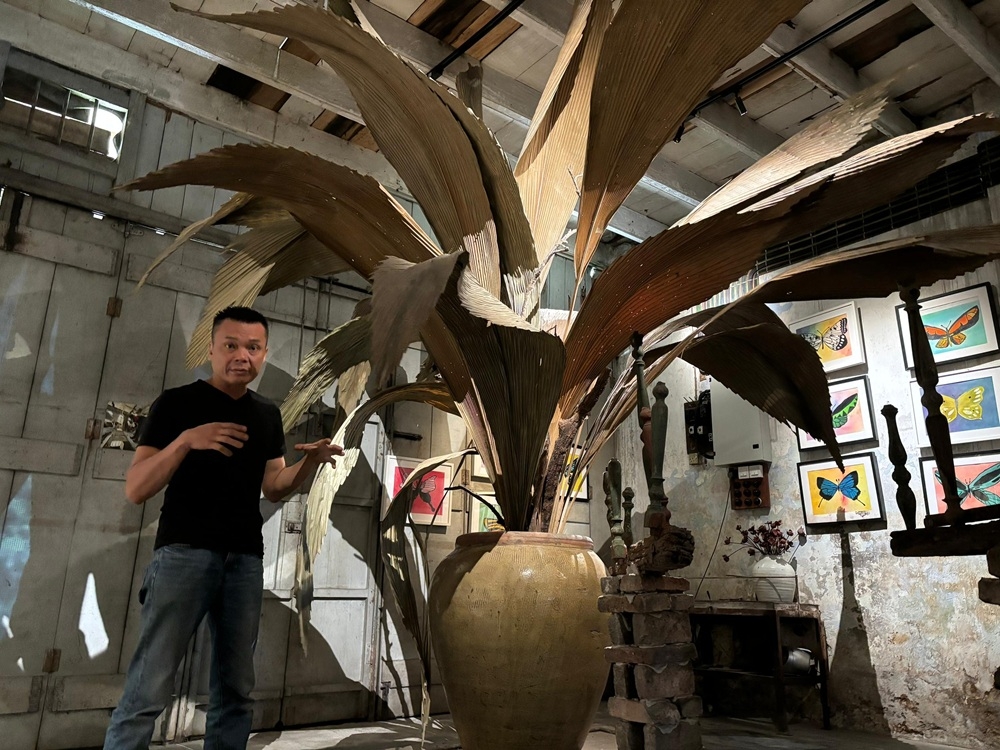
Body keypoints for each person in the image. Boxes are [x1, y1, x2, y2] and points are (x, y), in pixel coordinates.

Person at [103, 306, 343, 750]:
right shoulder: (176, 404)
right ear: (211, 349)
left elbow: (273, 487)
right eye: (231, 345)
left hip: (244, 561)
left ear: (264, 354)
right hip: (182, 557)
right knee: (148, 687)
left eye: (253, 348)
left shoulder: (267, 416)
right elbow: (136, 488)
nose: (242, 356)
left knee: (236, 689)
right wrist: (185, 441)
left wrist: (309, 462)